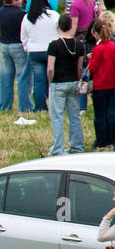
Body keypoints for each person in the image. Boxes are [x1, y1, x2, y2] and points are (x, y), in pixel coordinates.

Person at [46, 15, 85, 156]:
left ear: (58, 26)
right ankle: (77, 146)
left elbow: (50, 68)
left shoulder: (54, 45)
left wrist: (51, 82)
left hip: (58, 83)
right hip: (73, 82)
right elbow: (80, 68)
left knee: (57, 117)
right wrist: (79, 81)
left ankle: (58, 148)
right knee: (74, 116)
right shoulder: (79, 44)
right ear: (70, 27)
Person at [21, 0, 59, 114]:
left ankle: (40, 107)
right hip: (52, 52)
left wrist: (27, 48)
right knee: (53, 79)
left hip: (34, 52)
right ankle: (56, 105)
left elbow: (23, 37)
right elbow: (60, 33)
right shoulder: (54, 16)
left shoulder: (27, 18)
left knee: (39, 81)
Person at [0, 0, 29, 113]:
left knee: (6, 77)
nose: (21, 0)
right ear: (14, 1)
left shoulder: (0, 12)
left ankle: (5, 105)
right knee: (22, 77)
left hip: (5, 46)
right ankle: (24, 107)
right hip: (18, 46)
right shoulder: (21, 14)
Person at [89, 16, 115, 151]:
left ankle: (102, 141)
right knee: (110, 114)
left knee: (100, 116)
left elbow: (92, 68)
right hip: (112, 84)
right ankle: (110, 141)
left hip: (100, 86)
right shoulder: (113, 46)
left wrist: (90, 60)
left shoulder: (97, 49)